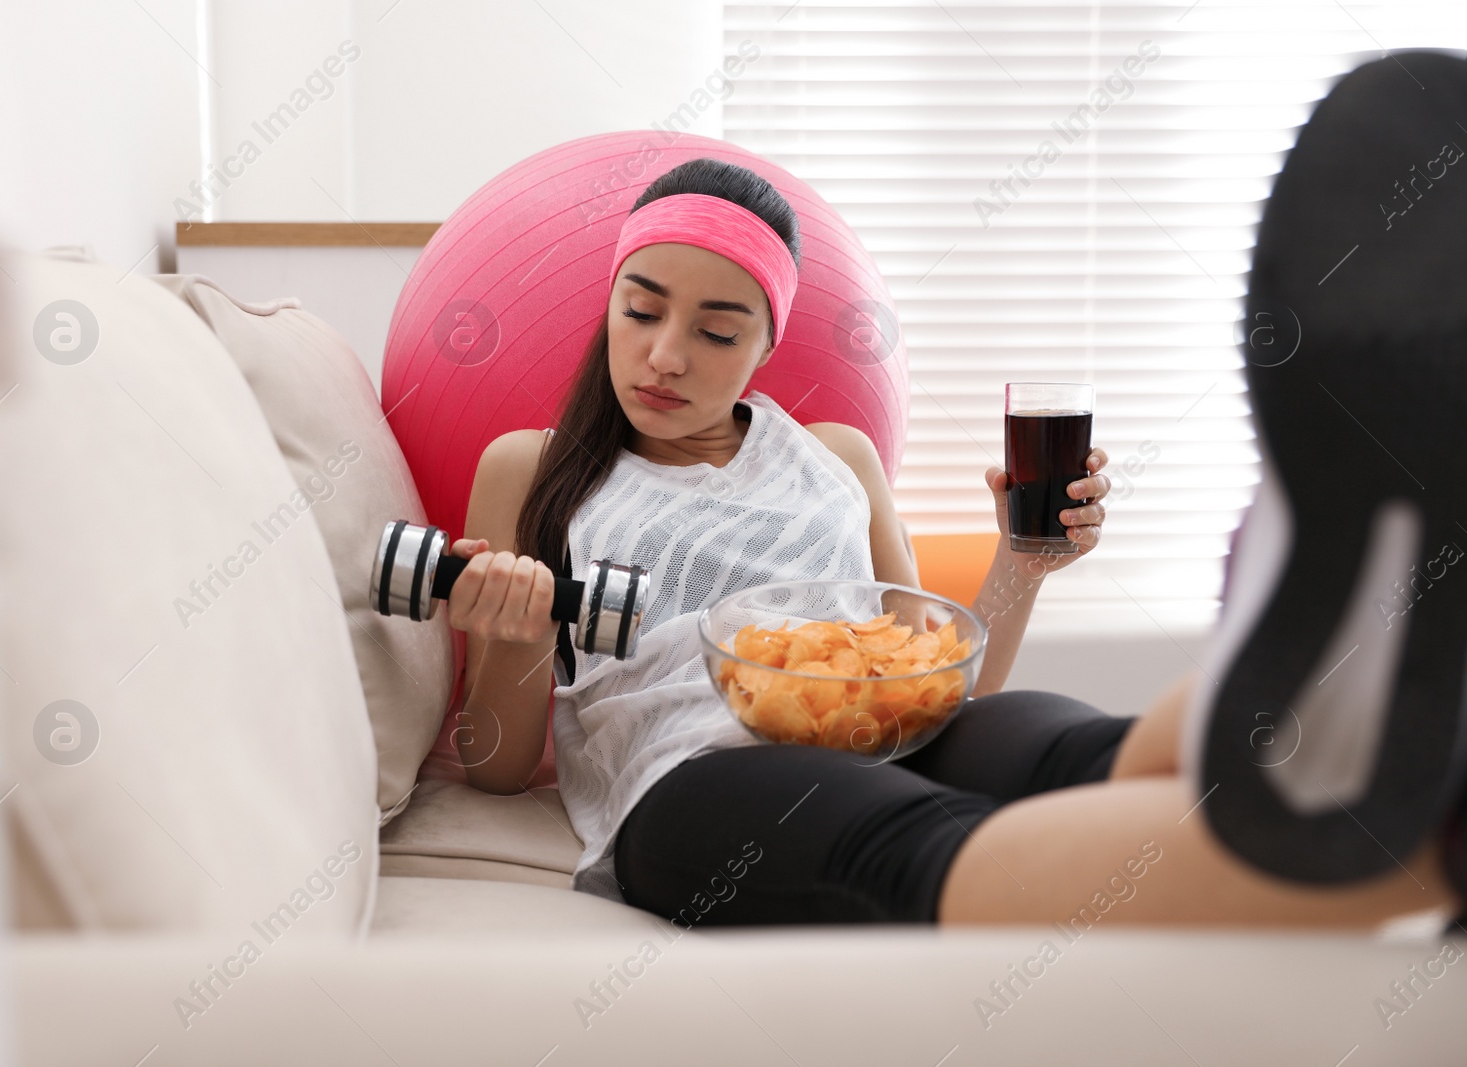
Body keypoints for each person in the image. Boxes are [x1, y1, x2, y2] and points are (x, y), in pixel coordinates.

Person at [440, 152, 1462, 929]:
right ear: (609, 306)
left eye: (716, 331)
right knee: (914, 842)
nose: (665, 355)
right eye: (641, 311)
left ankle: (1361, 710)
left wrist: (1022, 563)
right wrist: (522, 630)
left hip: (893, 730)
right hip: (687, 775)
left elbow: (938, 677)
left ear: (765, 345)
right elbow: (492, 763)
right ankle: (1422, 845)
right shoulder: (527, 469)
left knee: (1073, 741)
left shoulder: (835, 456)